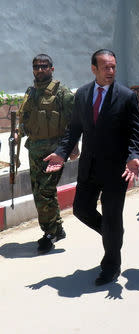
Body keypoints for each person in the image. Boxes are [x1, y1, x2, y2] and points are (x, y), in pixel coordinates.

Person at [44, 49, 139, 286]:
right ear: (94, 69)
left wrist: (133, 156)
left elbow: (136, 133)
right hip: (89, 167)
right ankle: (113, 236)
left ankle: (111, 265)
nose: (111, 71)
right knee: (81, 209)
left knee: (111, 217)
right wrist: (61, 153)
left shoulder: (126, 96)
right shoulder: (83, 94)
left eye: (113, 67)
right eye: (106, 67)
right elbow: (74, 130)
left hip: (115, 170)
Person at [17, 54, 77, 254]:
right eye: (36, 66)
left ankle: (50, 233)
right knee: (39, 193)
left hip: (54, 152)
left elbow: (75, 124)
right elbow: (26, 120)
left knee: (45, 193)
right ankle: (56, 228)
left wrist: (73, 148)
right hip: (34, 151)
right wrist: (18, 134)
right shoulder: (30, 92)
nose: (40, 70)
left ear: (52, 68)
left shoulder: (62, 93)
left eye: (44, 66)